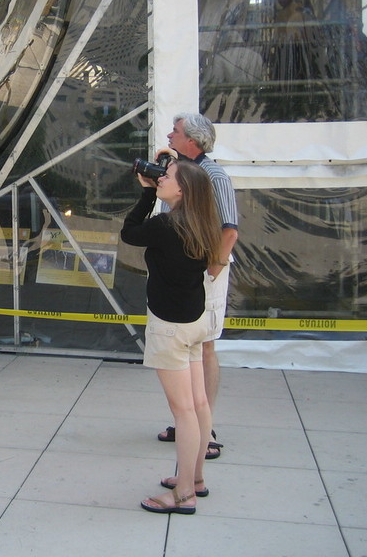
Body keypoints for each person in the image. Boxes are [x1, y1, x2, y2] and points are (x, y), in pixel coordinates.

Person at [121, 159, 223, 515]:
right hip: (194, 322)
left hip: (170, 327)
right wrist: (154, 188)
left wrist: (147, 193)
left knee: (183, 413)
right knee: (197, 405)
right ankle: (195, 479)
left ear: (181, 190)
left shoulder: (166, 225)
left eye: (168, 176)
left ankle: (183, 495)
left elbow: (130, 232)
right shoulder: (203, 223)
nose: (161, 177)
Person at [155, 113, 239, 460]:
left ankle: (206, 428)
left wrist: (212, 272)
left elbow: (229, 231)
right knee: (180, 349)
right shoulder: (176, 173)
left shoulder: (214, 175)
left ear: (193, 140)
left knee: (203, 347)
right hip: (180, 273)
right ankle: (185, 419)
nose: (169, 136)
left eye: (175, 132)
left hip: (205, 272)